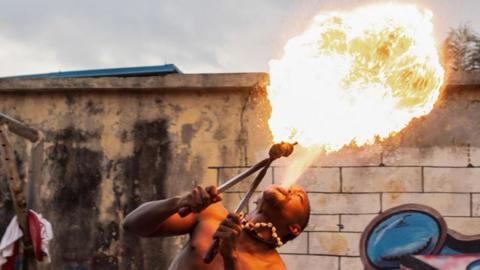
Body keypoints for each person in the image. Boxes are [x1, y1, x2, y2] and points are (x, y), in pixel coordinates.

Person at [123, 183, 310, 270]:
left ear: (295, 228)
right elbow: (132, 224)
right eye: (291, 188)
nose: (290, 190)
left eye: (298, 197)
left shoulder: (273, 268)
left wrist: (231, 258)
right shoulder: (211, 213)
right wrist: (178, 203)